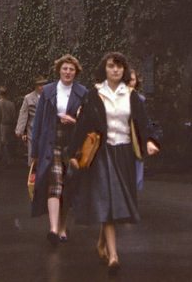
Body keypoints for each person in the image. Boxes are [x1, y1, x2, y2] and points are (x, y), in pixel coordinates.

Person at [68, 51, 160, 273]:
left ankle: (101, 243)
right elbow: (82, 124)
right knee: (109, 199)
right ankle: (114, 256)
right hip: (102, 153)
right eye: (111, 66)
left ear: (124, 70)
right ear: (104, 69)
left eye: (119, 66)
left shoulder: (131, 96)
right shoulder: (94, 95)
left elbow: (143, 122)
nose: (116, 70)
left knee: (115, 202)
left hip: (125, 153)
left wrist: (150, 140)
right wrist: (73, 152)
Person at [30, 55, 87, 245]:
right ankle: (53, 229)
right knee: (54, 184)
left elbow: (89, 122)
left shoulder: (83, 92)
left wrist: (74, 120)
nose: (68, 72)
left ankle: (63, 226)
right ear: (59, 71)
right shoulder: (47, 91)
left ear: (76, 72)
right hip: (51, 143)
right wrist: (35, 152)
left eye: (71, 69)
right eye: (65, 69)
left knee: (69, 188)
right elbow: (37, 122)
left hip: (73, 145)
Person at [16, 76, 47, 160]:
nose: (42, 87)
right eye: (40, 85)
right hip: (33, 129)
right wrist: (20, 130)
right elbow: (23, 113)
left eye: (44, 84)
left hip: (47, 129)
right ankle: (32, 170)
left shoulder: (50, 96)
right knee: (33, 153)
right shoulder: (28, 98)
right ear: (35, 86)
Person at [127, 67, 148, 191]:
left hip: (135, 139)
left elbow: (143, 121)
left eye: (133, 79)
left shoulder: (140, 100)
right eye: (128, 79)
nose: (130, 82)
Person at [0, 86, 18, 168]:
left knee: (3, 143)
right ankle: (3, 159)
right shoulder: (11, 104)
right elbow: (13, 116)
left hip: (1, 125)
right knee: (6, 143)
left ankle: (7, 160)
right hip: (9, 125)